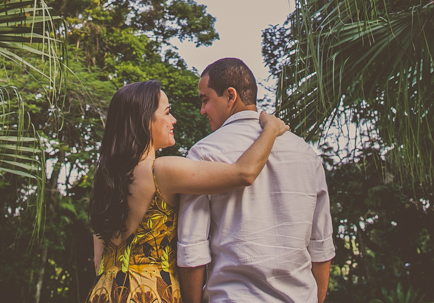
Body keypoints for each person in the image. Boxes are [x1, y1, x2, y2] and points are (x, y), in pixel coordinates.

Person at [87, 79, 290, 303]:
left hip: (104, 291)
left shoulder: (105, 182)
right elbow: (244, 173)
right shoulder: (161, 171)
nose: (173, 120)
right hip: (150, 293)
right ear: (145, 120)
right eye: (167, 113)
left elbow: (98, 262)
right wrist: (270, 130)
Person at [177, 58, 334, 303]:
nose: (202, 110)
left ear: (231, 95)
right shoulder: (306, 154)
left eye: (205, 99)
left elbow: (192, 249)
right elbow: (321, 246)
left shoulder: (204, 153)